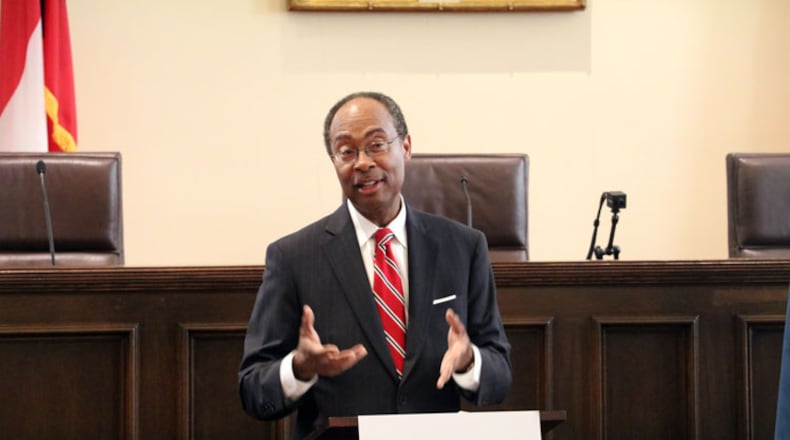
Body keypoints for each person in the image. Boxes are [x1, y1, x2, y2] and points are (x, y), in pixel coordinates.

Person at [238, 91, 512, 439]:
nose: (363, 162)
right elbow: (253, 389)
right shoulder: (293, 257)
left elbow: (500, 374)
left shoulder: (462, 247)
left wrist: (469, 360)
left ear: (406, 147)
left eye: (377, 145)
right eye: (346, 151)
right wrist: (299, 368)